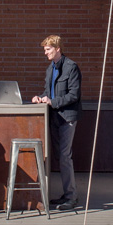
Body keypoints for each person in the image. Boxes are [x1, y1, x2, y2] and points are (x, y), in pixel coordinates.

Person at [31, 35, 81, 211]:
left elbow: (74, 95)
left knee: (65, 156)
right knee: (60, 157)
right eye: (44, 49)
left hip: (67, 117)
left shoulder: (71, 67)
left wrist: (53, 101)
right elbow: (48, 91)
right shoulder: (49, 69)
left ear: (58, 48)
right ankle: (66, 195)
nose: (45, 53)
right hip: (53, 117)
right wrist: (41, 97)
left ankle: (71, 197)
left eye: (48, 49)